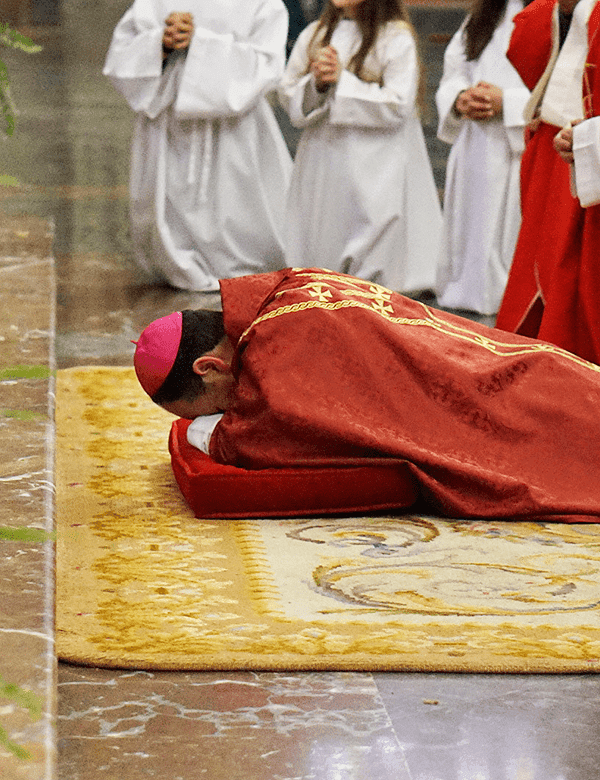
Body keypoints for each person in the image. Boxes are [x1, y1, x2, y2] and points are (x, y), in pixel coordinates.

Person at [133, 267, 600, 521]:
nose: (226, 411)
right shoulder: (285, 289)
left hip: (513, 409)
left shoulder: (280, 358)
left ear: (210, 367)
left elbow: (268, 436)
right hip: (526, 364)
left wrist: (208, 435)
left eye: (213, 405)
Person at [103, 0, 292, 292]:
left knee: (234, 198)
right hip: (170, 117)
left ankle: (239, 262)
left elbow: (267, 63)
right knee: (173, 200)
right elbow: (122, 51)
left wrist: (202, 44)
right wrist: (160, 44)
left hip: (233, 129)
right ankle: (176, 259)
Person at [277, 0, 442, 293]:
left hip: (378, 162)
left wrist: (343, 81)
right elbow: (289, 95)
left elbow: (398, 105)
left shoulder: (395, 36)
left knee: (371, 227)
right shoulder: (315, 33)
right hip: (324, 156)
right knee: (325, 232)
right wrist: (318, 84)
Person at [495, 0, 600, 363]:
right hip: (563, 143)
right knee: (548, 257)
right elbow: (526, 40)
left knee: (577, 267)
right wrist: (566, 10)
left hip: (585, 143)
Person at [435, 0, 530, 315]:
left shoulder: (553, 12)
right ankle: (465, 290)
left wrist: (509, 102)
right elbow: (454, 71)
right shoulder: (485, 14)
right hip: (475, 142)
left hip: (519, 145)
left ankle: (508, 299)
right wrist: (461, 97)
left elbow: (561, 84)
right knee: (471, 224)